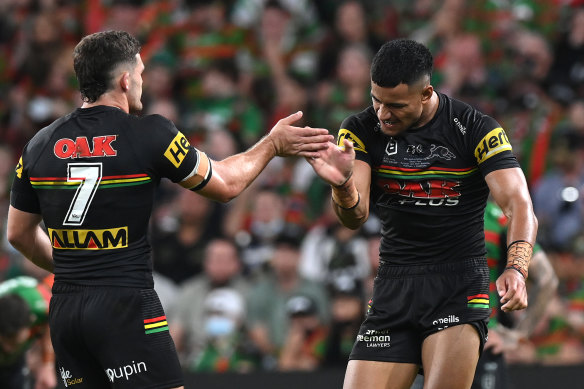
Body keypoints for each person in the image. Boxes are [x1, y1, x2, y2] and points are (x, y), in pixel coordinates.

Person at [6, 30, 332, 389]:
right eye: (141, 74)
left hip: (67, 311)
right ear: (126, 79)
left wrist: (76, 266)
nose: (142, 83)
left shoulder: (39, 144)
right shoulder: (150, 133)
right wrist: (271, 144)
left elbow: (18, 234)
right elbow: (226, 185)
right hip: (125, 305)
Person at [306, 38, 538, 389]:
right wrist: (341, 185)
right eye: (376, 100)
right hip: (394, 285)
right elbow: (355, 217)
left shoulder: (475, 128)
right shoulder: (360, 128)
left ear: (426, 93)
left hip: (458, 284)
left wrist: (516, 269)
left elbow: (519, 204)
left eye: (395, 105)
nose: (383, 113)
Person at [0, 275, 55, 389]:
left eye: (13, 341)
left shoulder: (41, 306)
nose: (8, 348)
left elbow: (51, 322)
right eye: (6, 340)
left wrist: (47, 365)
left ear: (31, 321)